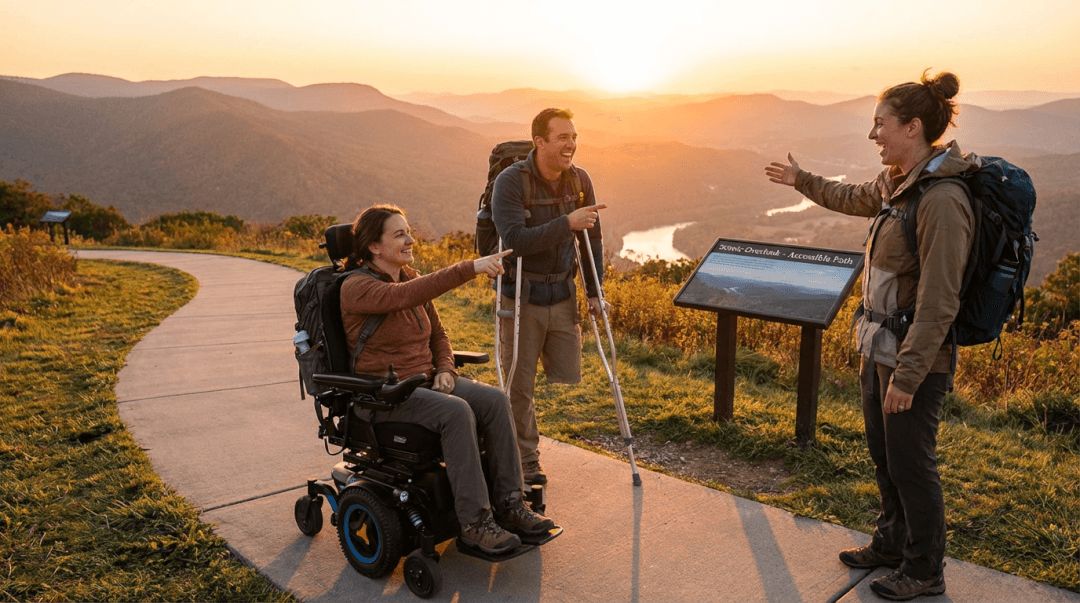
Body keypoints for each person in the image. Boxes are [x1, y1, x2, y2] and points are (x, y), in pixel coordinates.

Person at [765, 71, 975, 601]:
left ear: (913, 126)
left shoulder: (941, 199)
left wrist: (908, 375)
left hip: (914, 359)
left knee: (911, 462)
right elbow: (850, 194)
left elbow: (939, 300)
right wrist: (802, 180)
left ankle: (925, 569)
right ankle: (891, 543)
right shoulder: (897, 183)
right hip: (878, 347)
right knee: (885, 454)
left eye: (880, 124)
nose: (873, 134)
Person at [339, 204, 555, 555]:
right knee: (456, 412)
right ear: (374, 247)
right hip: (385, 396)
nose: (411, 240)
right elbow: (402, 298)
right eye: (399, 235)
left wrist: (445, 369)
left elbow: (439, 336)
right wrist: (469, 268)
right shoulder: (356, 287)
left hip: (426, 384)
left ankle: (511, 505)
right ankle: (474, 525)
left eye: (408, 231)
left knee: (495, 400)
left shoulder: (410, 280)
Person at [491, 108, 608, 485]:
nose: (571, 144)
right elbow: (515, 242)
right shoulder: (511, 183)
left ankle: (516, 443)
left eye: (573, 137)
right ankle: (525, 461)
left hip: (562, 292)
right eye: (562, 138)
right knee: (519, 383)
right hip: (522, 295)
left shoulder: (579, 181)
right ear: (539, 141)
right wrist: (566, 223)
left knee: (566, 373)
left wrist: (594, 291)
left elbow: (593, 239)